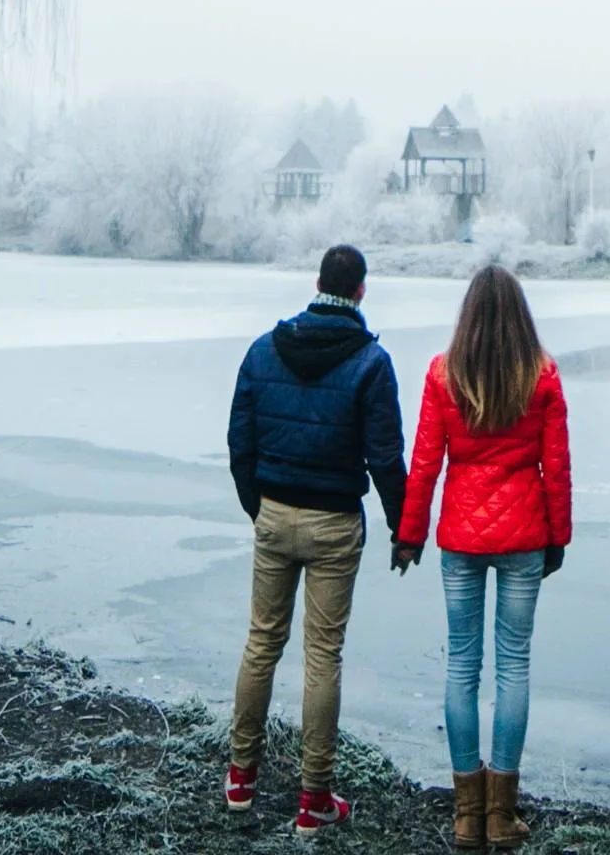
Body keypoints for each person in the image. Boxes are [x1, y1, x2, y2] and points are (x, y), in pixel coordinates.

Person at [225, 242, 407, 835]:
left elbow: (239, 441)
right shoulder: (371, 363)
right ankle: (313, 801)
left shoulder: (262, 350)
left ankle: (241, 779)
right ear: (360, 291)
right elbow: (384, 456)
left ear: (317, 282)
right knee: (322, 657)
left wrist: (259, 505)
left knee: (261, 644)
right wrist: (403, 529)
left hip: (275, 514)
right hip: (334, 524)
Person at [393, 265, 571, 850]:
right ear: (521, 315)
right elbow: (557, 466)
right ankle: (502, 815)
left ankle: (467, 815)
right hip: (523, 533)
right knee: (513, 665)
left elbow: (424, 463)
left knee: (462, 666)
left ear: (467, 315)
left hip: (461, 538)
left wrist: (410, 534)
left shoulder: (444, 374)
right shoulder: (540, 375)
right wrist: (558, 537)